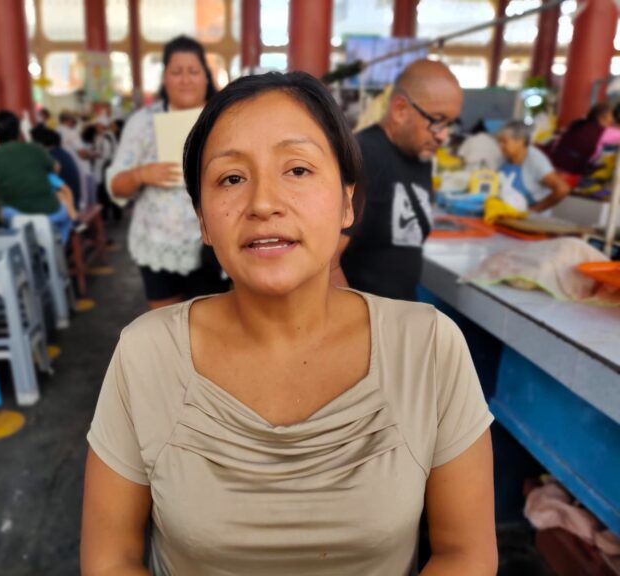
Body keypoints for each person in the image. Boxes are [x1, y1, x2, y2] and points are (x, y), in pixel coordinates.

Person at [82, 71, 497, 576]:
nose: (263, 204)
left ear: (347, 202)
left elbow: (466, 554)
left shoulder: (429, 347)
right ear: (203, 221)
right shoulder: (144, 355)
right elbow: (110, 559)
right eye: (231, 178)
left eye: (297, 170)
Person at [105, 35, 228, 309]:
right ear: (164, 78)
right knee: (166, 329)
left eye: (193, 71)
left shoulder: (224, 120)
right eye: (176, 71)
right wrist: (140, 175)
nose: (185, 79)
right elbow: (115, 186)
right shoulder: (142, 123)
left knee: (213, 326)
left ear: (206, 77)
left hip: (213, 244)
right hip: (158, 242)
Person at [337, 60, 463, 301]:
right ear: (400, 110)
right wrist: (357, 325)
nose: (444, 135)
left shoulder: (419, 156)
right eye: (437, 120)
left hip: (400, 315)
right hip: (367, 322)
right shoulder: (365, 158)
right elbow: (326, 264)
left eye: (450, 124)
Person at [0, 110, 72, 243]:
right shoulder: (35, 148)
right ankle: (58, 246)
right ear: (19, 130)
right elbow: (56, 167)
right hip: (51, 214)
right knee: (66, 218)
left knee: (4, 214)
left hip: (19, 218)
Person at [497, 120, 571, 213]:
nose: (500, 146)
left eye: (504, 141)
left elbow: (562, 189)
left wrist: (533, 211)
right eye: (499, 142)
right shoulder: (504, 158)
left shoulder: (536, 159)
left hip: (531, 220)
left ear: (520, 141)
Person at [549, 102, 620, 174]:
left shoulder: (579, 124)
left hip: (553, 164)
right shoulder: (604, 132)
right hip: (572, 172)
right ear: (604, 117)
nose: (614, 119)